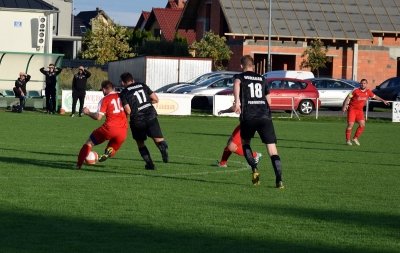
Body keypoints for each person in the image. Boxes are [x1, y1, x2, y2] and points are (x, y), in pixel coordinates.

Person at [233, 55, 284, 188]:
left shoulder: (240, 77)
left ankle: (254, 168)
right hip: (265, 117)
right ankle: (279, 180)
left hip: (249, 116)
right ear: (253, 66)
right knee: (273, 151)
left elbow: (237, 84)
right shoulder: (262, 79)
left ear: (241, 66)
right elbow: (270, 101)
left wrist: (237, 102)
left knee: (245, 143)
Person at [73, 80, 128, 169]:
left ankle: (78, 165)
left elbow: (98, 117)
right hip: (123, 131)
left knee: (89, 143)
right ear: (113, 88)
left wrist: (88, 112)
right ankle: (109, 151)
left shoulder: (105, 99)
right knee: (112, 149)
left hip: (109, 128)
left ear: (103, 89)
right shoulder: (122, 96)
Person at [119, 72, 168, 170]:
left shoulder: (124, 92)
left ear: (123, 83)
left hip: (137, 121)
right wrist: (146, 105)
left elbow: (128, 111)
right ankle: (162, 147)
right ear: (132, 80)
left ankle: (151, 165)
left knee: (140, 143)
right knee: (158, 139)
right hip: (151, 116)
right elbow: (155, 99)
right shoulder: (142, 85)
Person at [342, 78, 389, 146]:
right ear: (360, 84)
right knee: (350, 125)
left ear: (366, 84)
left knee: (362, 125)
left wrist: (383, 100)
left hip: (360, 110)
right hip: (352, 109)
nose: (363, 84)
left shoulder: (368, 92)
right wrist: (344, 106)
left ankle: (355, 138)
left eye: (364, 83)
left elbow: (375, 96)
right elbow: (348, 97)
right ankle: (348, 140)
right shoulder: (356, 90)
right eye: (361, 83)